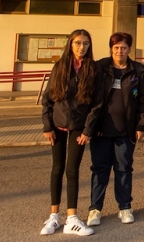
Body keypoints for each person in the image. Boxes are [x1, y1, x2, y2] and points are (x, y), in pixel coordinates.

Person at [86, 32, 144, 226]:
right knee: (100, 170)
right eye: (116, 48)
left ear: (129, 49)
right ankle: (95, 209)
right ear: (111, 49)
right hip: (101, 131)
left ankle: (124, 207)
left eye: (123, 48)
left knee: (124, 169)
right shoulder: (100, 67)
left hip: (126, 132)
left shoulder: (138, 70)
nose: (119, 51)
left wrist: (141, 125)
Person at [40, 29, 97, 236]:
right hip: (57, 125)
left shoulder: (92, 69)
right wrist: (47, 126)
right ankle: (54, 216)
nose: (82, 47)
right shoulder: (60, 67)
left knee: (72, 170)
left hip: (79, 129)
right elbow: (47, 99)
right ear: (70, 44)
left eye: (86, 44)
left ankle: (71, 218)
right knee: (57, 169)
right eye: (78, 43)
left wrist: (87, 130)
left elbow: (96, 104)